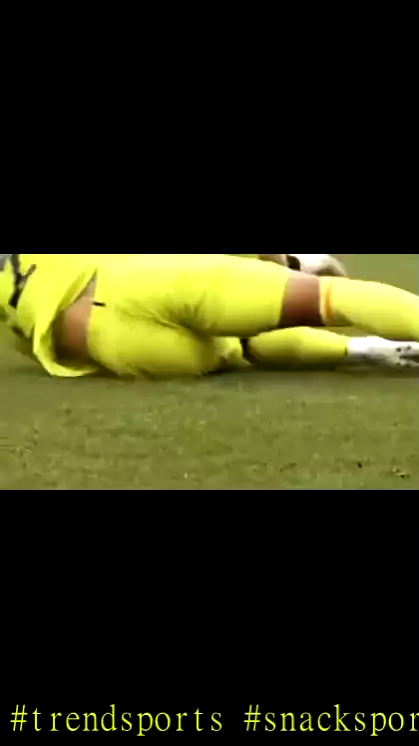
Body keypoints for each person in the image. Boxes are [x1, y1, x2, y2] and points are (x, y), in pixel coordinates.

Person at [0, 252, 418, 379]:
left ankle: (363, 350)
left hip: (119, 347)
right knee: (331, 296)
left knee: (242, 344)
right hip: (134, 283)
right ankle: (300, 266)